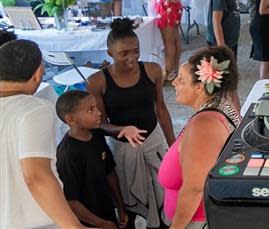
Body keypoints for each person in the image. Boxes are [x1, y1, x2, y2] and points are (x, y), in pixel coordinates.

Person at [86, 18, 175, 229]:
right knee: (128, 209)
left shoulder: (152, 70)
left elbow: (161, 109)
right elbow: (99, 123)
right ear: (110, 54)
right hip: (123, 150)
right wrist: (122, 130)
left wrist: (173, 147)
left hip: (153, 144)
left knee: (164, 200)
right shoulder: (97, 81)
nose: (132, 58)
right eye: (123, 54)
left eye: (136, 51)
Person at [0, 39, 85, 229]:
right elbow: (37, 176)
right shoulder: (34, 110)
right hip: (31, 221)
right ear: (39, 74)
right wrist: (73, 226)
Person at [158, 47, 240, 229]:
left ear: (199, 87)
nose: (173, 83)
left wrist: (176, 227)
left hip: (196, 222)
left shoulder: (204, 125)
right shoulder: (220, 105)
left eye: (181, 79)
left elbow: (195, 188)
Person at [55, 90, 126, 229]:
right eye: (90, 110)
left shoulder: (96, 135)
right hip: (89, 222)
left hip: (107, 211)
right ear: (70, 119)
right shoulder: (68, 154)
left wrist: (120, 206)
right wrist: (102, 224)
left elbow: (109, 172)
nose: (99, 113)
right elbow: (71, 201)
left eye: (96, 107)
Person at [149, 0, 184, 82]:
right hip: (171, 9)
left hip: (167, 10)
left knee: (169, 42)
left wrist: (166, 1)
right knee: (174, 40)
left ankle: (169, 70)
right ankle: (174, 68)